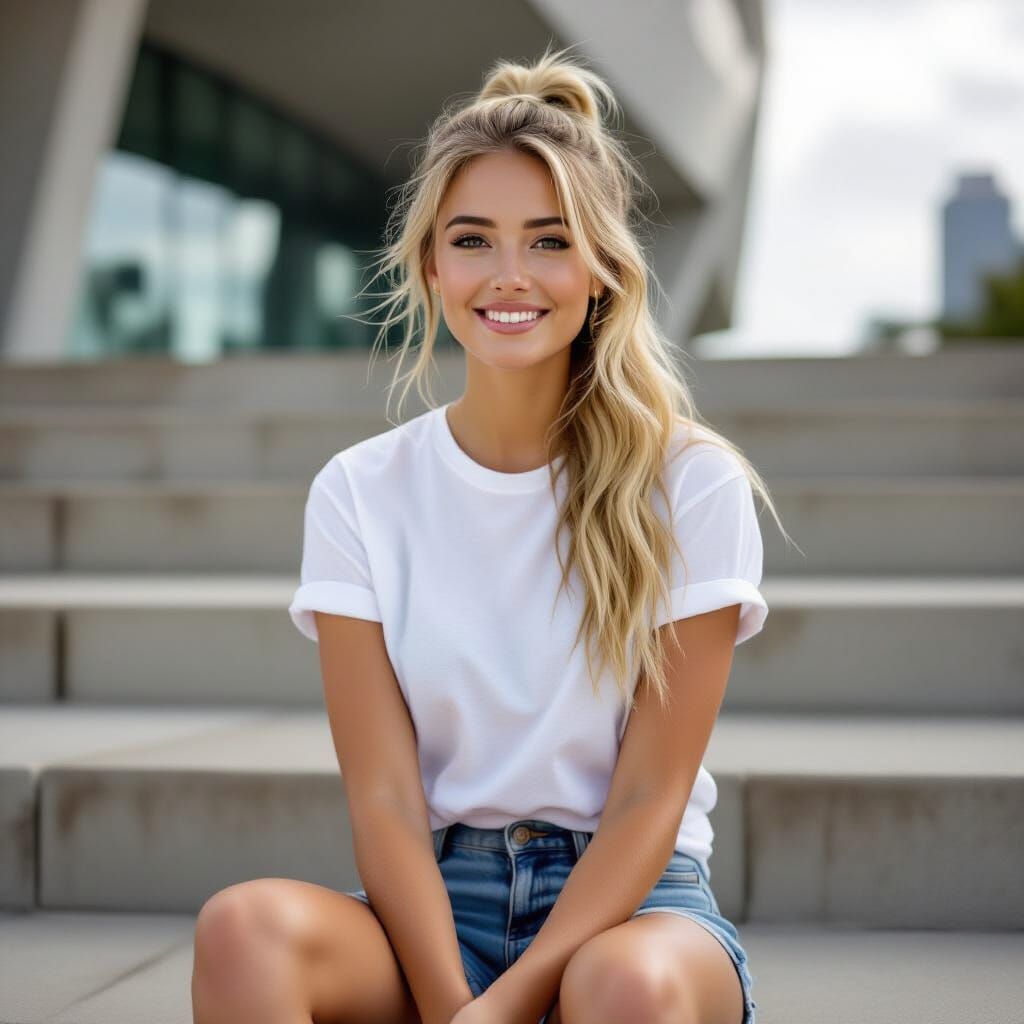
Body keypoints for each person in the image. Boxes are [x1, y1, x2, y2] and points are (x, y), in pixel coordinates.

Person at [192, 44, 790, 1024]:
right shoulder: (359, 491)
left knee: (622, 985)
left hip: (635, 907)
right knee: (240, 930)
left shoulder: (692, 483)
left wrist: (511, 1004)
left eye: (549, 240)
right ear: (430, 264)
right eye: (473, 240)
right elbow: (383, 798)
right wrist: (450, 1004)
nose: (509, 275)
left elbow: (647, 799)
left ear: (599, 267)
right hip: (439, 902)